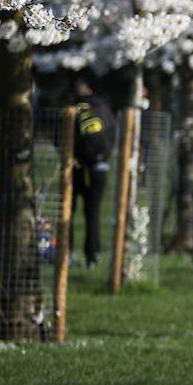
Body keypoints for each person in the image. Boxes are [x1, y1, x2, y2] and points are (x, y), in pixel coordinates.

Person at [71, 78, 117, 269]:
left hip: (77, 166)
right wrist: (103, 157)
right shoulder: (105, 109)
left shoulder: (75, 109)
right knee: (93, 212)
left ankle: (66, 253)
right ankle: (92, 256)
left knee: (69, 211)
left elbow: (65, 137)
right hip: (100, 166)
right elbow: (113, 134)